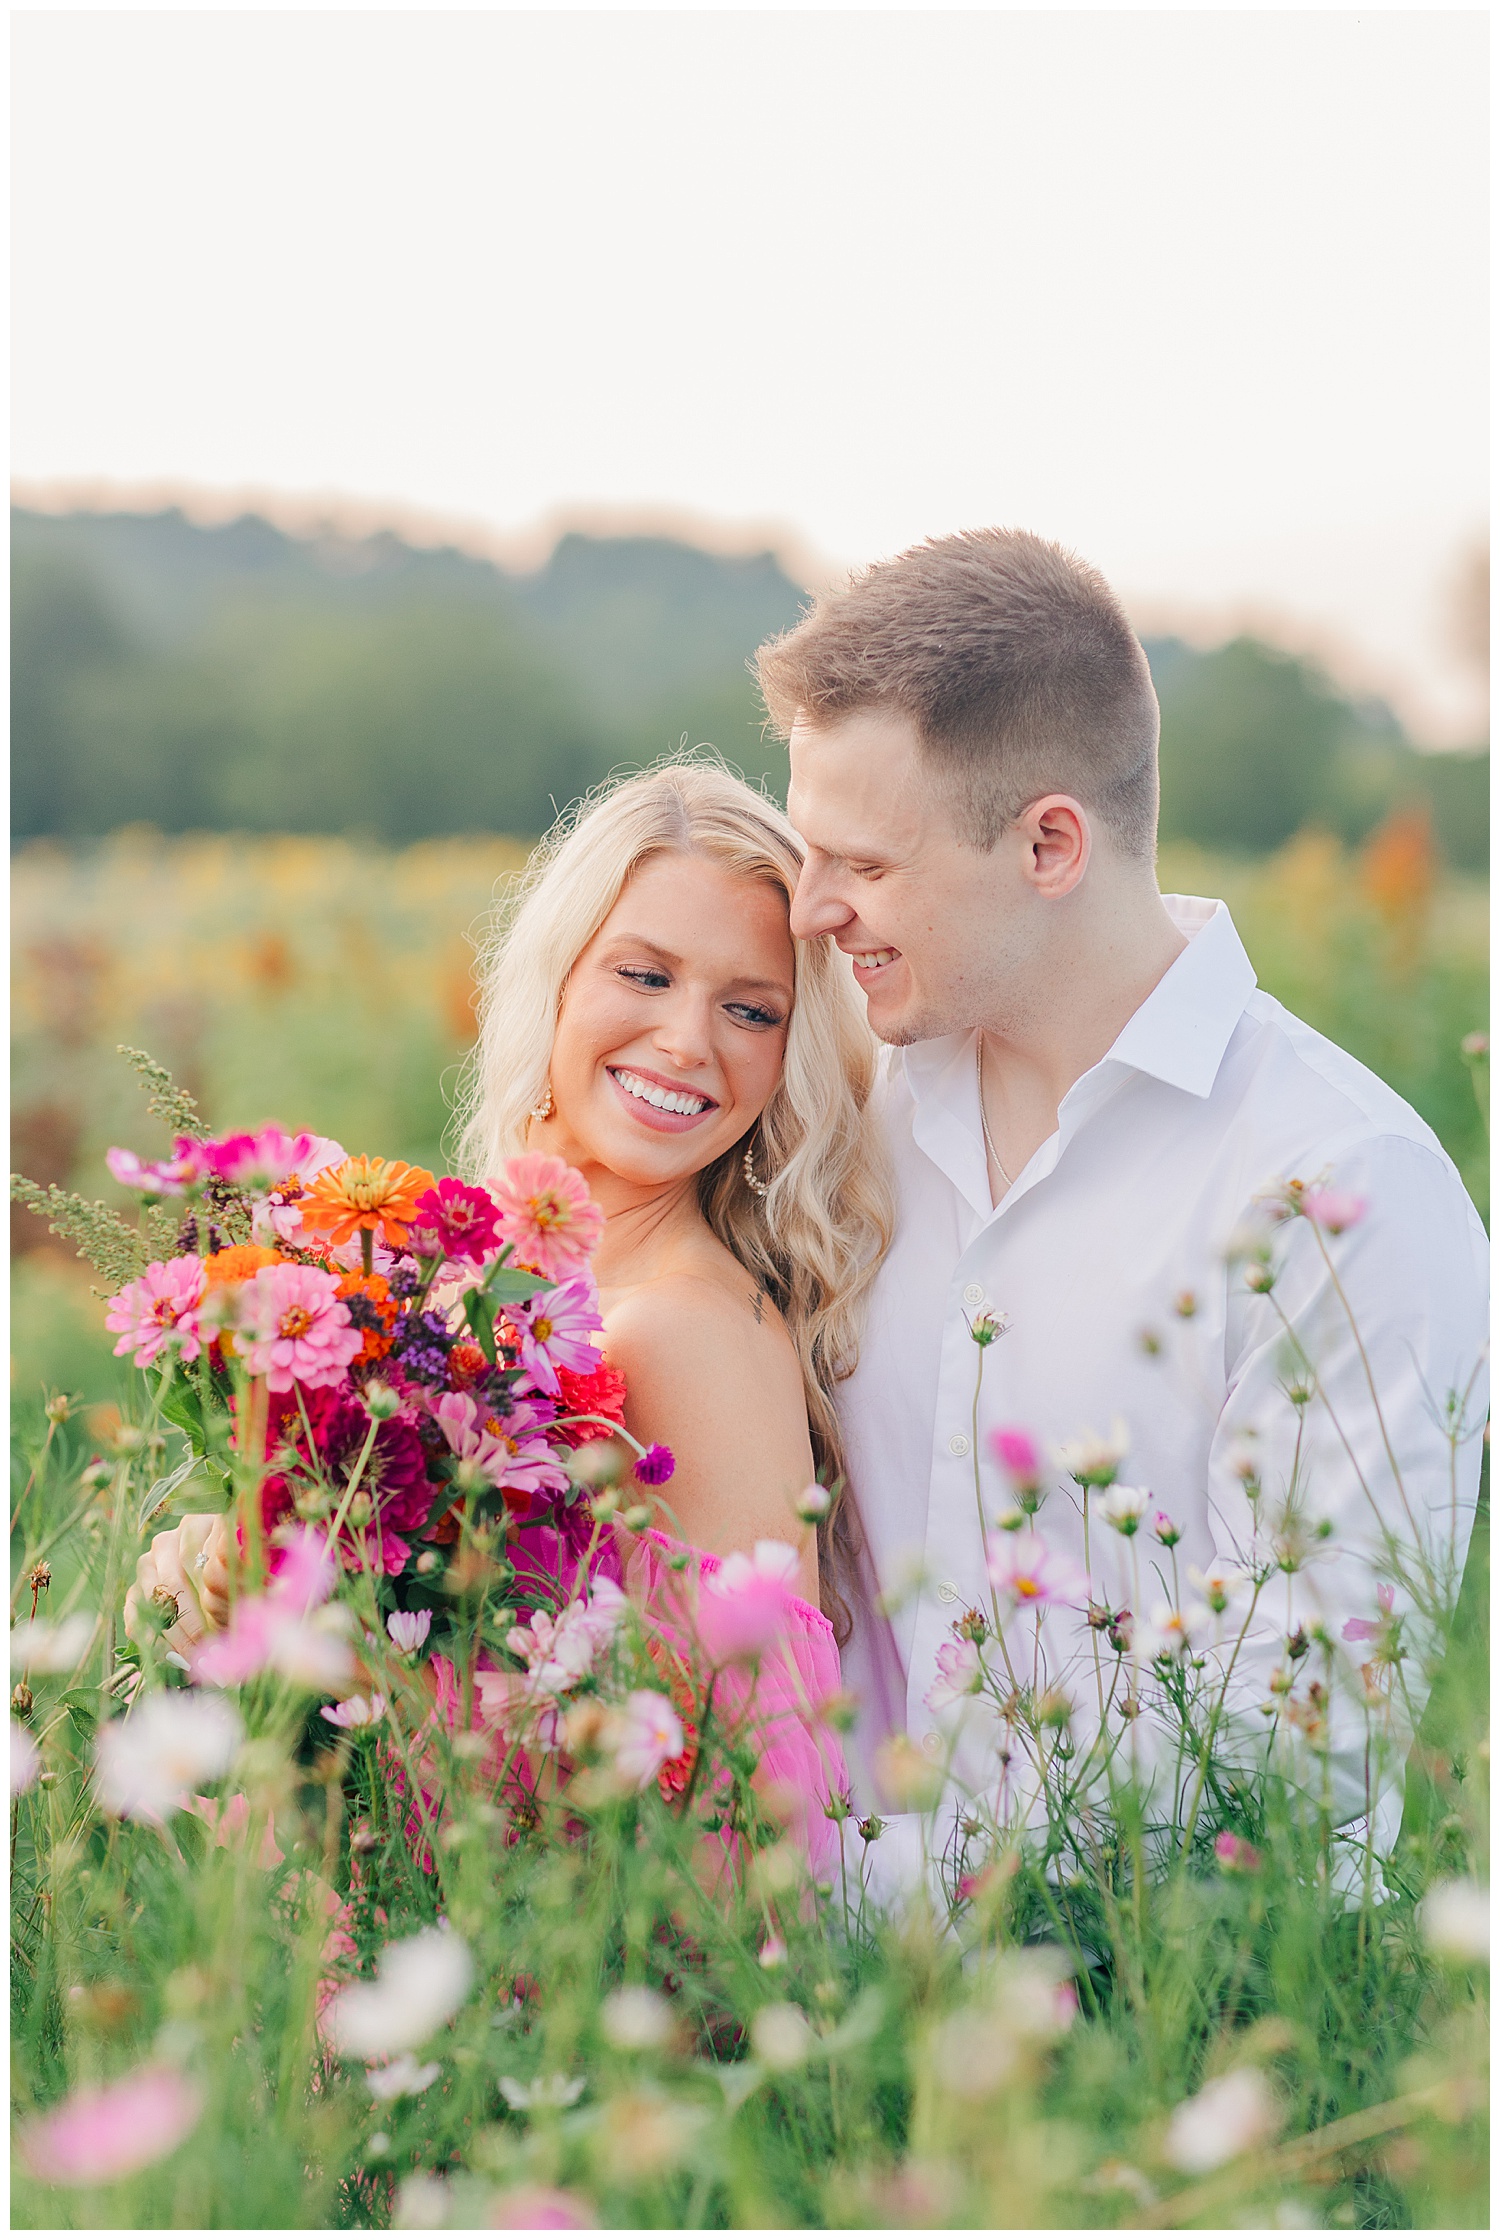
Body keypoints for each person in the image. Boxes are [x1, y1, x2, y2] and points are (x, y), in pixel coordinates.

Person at [755, 526, 1488, 1888]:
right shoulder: (841, 1122)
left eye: (860, 864)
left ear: (1049, 844)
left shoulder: (1338, 1189)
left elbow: (1302, 1731)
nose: (809, 912)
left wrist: (847, 1894)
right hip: (834, 2039)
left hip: (1186, 2024)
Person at [131, 762, 893, 1859]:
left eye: (749, 1008)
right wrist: (226, 1560)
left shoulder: (691, 1334)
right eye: (644, 972)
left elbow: (758, 1809)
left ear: (789, 1056)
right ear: (558, 980)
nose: (688, 1039)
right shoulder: (450, 1290)